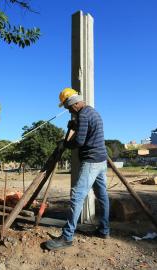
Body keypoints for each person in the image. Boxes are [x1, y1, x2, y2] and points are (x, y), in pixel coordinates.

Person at [44, 88, 110, 250]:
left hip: (91, 162)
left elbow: (79, 141)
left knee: (76, 197)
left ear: (72, 103)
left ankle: (67, 237)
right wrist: (75, 124)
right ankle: (104, 230)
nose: (67, 110)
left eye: (67, 107)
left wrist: (65, 144)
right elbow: (87, 131)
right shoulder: (92, 112)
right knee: (102, 196)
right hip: (102, 161)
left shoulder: (83, 115)